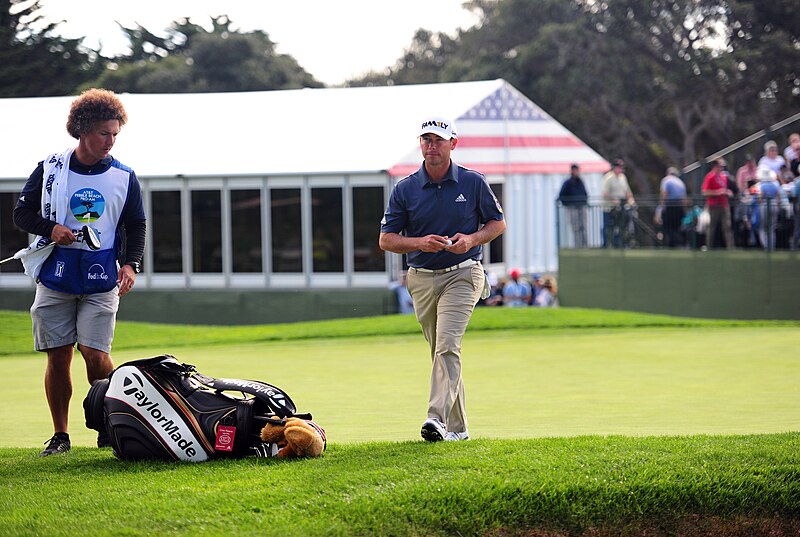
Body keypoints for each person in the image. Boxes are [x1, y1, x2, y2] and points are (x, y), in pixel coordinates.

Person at [12, 88, 146, 456]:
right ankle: (61, 435)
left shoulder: (123, 175)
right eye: (105, 133)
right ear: (83, 129)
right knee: (58, 355)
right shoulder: (50, 168)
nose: (111, 141)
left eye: (116, 133)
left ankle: (108, 425)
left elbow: (136, 223)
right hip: (55, 275)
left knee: (94, 351)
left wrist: (132, 264)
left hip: (102, 277)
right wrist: (50, 228)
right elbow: (20, 215)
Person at [379, 116, 506, 442]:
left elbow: (497, 224)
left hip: (463, 273)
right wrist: (419, 242)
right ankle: (459, 430)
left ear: (453, 144)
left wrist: (472, 240)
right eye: (426, 140)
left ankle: (435, 419)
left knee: (447, 345)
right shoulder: (405, 188)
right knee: (441, 352)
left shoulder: (473, 182)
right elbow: (387, 239)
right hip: (420, 278)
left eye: (438, 140)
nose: (431, 146)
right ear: (420, 144)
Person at [701, 158, 734, 249]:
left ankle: (730, 247)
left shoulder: (723, 177)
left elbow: (724, 189)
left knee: (727, 227)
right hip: (713, 205)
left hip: (724, 205)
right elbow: (705, 192)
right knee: (712, 227)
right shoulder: (709, 177)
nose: (722, 168)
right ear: (715, 166)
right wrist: (718, 192)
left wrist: (727, 192)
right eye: (720, 166)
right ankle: (709, 246)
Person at [601, 158, 635, 248]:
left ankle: (618, 244)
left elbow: (628, 192)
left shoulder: (623, 177)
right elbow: (605, 193)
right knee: (607, 227)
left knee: (621, 226)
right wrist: (613, 200)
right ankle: (606, 245)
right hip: (609, 208)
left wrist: (631, 200)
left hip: (620, 207)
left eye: (621, 167)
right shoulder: (608, 177)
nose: (620, 169)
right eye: (618, 167)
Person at [654, 167, 688, 248]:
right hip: (679, 207)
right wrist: (685, 211)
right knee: (675, 227)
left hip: (670, 205)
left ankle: (679, 241)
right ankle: (672, 245)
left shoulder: (666, 180)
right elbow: (684, 198)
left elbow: (664, 193)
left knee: (667, 227)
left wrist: (662, 207)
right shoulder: (680, 182)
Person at [557, 164, 589, 248]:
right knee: (576, 227)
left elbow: (585, 193)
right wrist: (568, 204)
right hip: (572, 207)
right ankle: (578, 245)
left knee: (583, 226)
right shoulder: (568, 183)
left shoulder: (581, 181)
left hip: (581, 206)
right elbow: (561, 195)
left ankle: (584, 245)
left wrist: (585, 201)